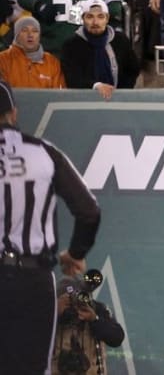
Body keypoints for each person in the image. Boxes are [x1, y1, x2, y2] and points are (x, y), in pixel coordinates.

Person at [0, 79, 101, 374]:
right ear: (14, 114)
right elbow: (89, 211)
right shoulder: (43, 152)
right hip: (31, 277)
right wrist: (76, 253)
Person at [15, 0, 124, 54]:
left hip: (91, 47)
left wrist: (98, 13)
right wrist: (40, 6)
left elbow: (115, 6)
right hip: (51, 43)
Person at [61, 0, 140, 100]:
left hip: (117, 99)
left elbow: (132, 69)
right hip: (83, 101)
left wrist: (119, 93)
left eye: (100, 17)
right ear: (83, 19)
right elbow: (72, 76)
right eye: (90, 17)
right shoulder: (71, 45)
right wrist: (96, 86)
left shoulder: (121, 40)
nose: (95, 22)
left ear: (107, 19)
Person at [52, 273, 125, 375]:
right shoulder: (49, 312)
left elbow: (117, 338)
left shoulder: (98, 309)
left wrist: (94, 319)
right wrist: (54, 314)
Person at [0, 16, 65, 88]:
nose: (30, 35)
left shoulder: (52, 62)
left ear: (39, 36)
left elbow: (59, 95)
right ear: (17, 36)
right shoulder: (3, 60)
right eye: (24, 30)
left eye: (35, 31)